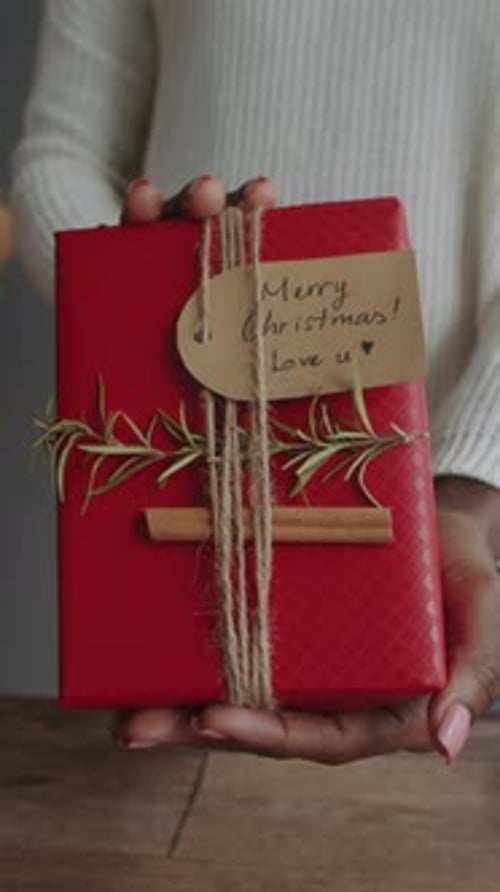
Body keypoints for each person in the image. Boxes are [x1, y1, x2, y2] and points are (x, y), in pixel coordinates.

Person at [10, 0, 500, 764]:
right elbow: (61, 154)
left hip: (464, 529)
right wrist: (141, 300)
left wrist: (473, 476)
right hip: (179, 475)